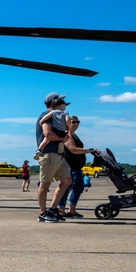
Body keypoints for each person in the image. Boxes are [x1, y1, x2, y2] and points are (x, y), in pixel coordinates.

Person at [35, 93, 94, 223]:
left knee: (67, 180)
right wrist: (62, 138)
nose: (64, 105)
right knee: (45, 184)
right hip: (49, 154)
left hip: (58, 155)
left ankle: (53, 209)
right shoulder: (46, 115)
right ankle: (43, 213)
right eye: (61, 102)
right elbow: (48, 134)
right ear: (53, 103)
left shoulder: (60, 117)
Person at [58, 116, 89, 218]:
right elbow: (73, 149)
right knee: (66, 188)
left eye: (77, 122)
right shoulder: (67, 135)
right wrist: (89, 150)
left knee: (79, 188)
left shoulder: (74, 135)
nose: (76, 124)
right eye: (73, 122)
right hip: (70, 167)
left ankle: (72, 210)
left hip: (77, 167)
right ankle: (61, 209)